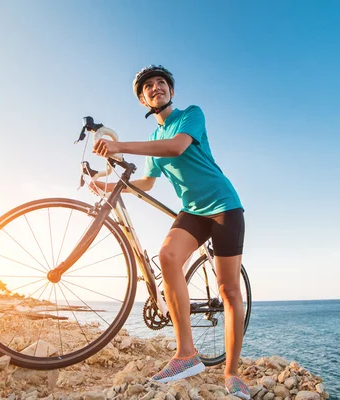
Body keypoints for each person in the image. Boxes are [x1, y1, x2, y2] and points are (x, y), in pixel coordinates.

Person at [91, 65, 250, 400]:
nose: (156, 87)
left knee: (229, 290)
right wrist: (104, 183)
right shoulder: (151, 138)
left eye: (161, 83)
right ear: (142, 99)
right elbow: (147, 182)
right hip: (192, 211)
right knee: (167, 255)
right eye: (148, 86)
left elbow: (177, 147)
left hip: (224, 206)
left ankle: (232, 373)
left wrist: (120, 148)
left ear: (171, 92)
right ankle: (186, 355)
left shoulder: (191, 115)